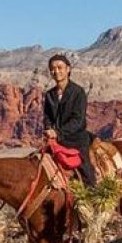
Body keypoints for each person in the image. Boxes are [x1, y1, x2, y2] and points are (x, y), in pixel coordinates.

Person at [42, 54, 97, 185]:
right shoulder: (49, 94)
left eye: (60, 67)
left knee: (85, 170)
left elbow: (77, 120)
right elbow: (47, 117)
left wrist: (58, 133)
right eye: (53, 68)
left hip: (76, 139)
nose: (56, 71)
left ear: (68, 69)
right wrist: (49, 129)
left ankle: (92, 194)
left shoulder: (78, 92)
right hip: (56, 141)